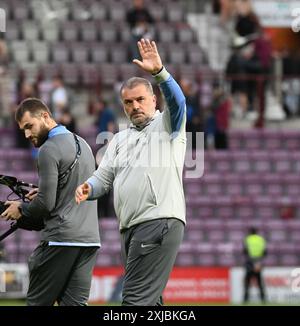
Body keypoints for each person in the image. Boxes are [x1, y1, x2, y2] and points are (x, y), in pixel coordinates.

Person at [75, 39, 186, 306]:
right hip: (131, 229)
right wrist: (88, 187)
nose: (134, 106)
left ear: (153, 100)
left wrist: (160, 72)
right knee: (150, 305)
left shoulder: (167, 124)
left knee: (134, 303)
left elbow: (179, 102)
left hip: (157, 221)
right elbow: (103, 178)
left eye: (140, 100)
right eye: (128, 102)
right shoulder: (118, 140)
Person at [0, 98, 100, 306]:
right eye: (23, 130)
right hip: (89, 241)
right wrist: (45, 192)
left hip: (60, 239)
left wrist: (21, 208)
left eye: (29, 126)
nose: (27, 134)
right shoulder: (84, 144)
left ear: (45, 116)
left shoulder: (48, 149)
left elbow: (45, 205)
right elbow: (75, 190)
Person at [243, 227, 267, 303]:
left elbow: (245, 251)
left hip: (250, 262)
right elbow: (265, 252)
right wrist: (259, 260)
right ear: (256, 232)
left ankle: (245, 300)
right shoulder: (261, 239)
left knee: (247, 282)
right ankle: (263, 300)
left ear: (250, 232)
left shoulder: (247, 239)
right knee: (259, 282)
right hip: (258, 262)